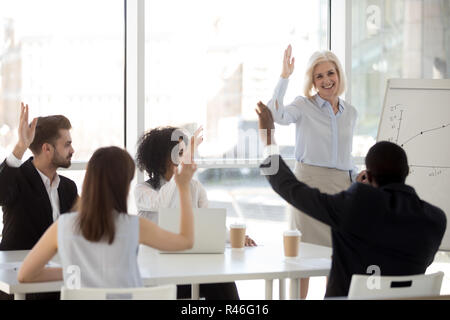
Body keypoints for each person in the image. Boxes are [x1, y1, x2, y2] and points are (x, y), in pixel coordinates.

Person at [256, 101, 446, 298]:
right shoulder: (436, 220)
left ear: (369, 176)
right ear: (406, 172)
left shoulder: (358, 203)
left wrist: (268, 140)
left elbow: (291, 189)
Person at [18, 145, 196, 289]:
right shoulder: (134, 226)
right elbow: (186, 241)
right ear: (123, 185)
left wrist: (76, 271)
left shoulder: (63, 226)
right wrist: (183, 187)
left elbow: (25, 275)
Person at [267, 45, 358, 297]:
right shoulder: (303, 105)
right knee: (303, 261)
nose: (326, 80)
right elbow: (274, 114)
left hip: (342, 189)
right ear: (313, 81)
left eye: (331, 73)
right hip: (307, 187)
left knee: (337, 262)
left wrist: (357, 177)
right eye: (319, 76)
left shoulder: (351, 112)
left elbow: (345, 153)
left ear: (339, 75)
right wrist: (284, 76)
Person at [134, 126, 255, 300]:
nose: (186, 157)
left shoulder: (196, 188)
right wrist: (181, 176)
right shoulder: (142, 190)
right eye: (180, 153)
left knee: (222, 280)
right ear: (161, 159)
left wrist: (234, 237)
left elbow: (209, 225)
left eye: (186, 152)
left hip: (187, 266)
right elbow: (162, 202)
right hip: (157, 271)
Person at [0, 103, 78, 252]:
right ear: (47, 148)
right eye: (67, 144)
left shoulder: (68, 187)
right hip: (17, 269)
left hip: (56, 268)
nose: (72, 150)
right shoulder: (17, 179)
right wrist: (20, 147)